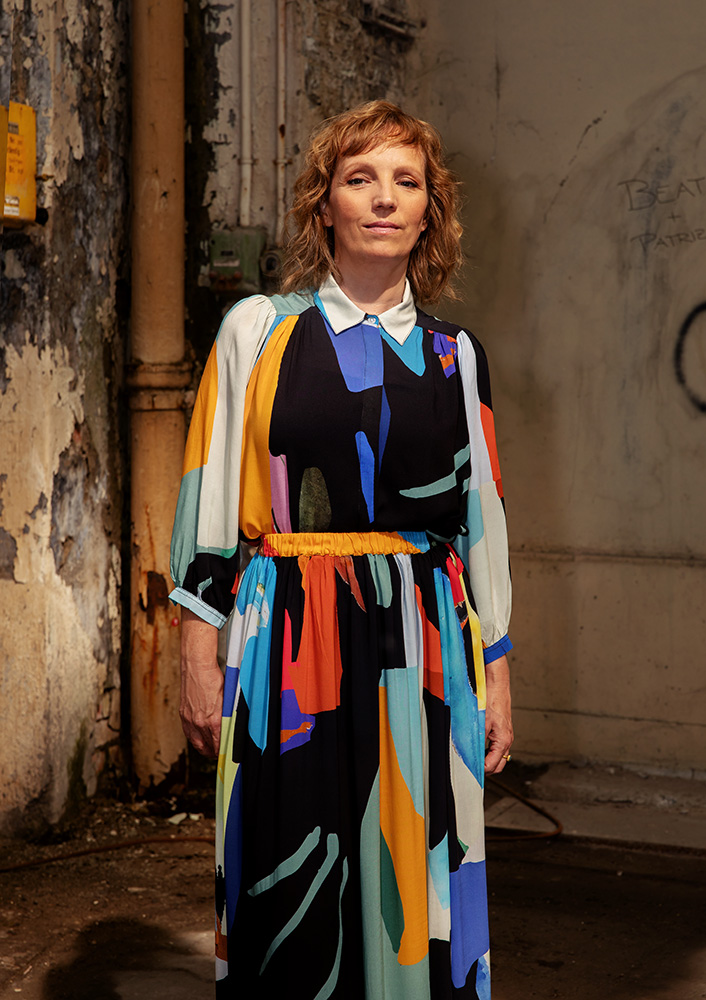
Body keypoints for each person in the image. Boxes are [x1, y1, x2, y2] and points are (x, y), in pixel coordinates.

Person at [170, 100, 513, 1000]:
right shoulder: (257, 329)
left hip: (425, 647)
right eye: (361, 179)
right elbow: (209, 496)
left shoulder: (456, 356)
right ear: (324, 206)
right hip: (288, 643)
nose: (385, 199)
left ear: (431, 212)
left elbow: (481, 520)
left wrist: (498, 671)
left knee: (416, 878)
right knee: (289, 871)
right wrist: (197, 651)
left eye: (408, 182)